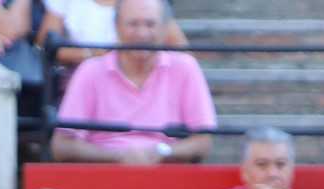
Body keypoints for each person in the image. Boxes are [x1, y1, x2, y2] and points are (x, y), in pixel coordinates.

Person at [52, 0, 214, 164]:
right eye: (133, 24)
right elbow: (61, 145)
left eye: (150, 24)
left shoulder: (185, 67)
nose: (142, 33)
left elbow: (203, 142)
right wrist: (117, 157)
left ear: (165, 29)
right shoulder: (90, 71)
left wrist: (162, 152)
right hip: (102, 174)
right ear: (116, 27)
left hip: (168, 173)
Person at [201, 128, 324, 189]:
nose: (272, 173)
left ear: (292, 170)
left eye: (280, 164)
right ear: (244, 172)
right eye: (262, 164)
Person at [37, 0, 187, 66]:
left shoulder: (146, 3)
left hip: (144, 78)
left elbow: (182, 50)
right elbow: (46, 44)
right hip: (80, 78)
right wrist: (93, 56)